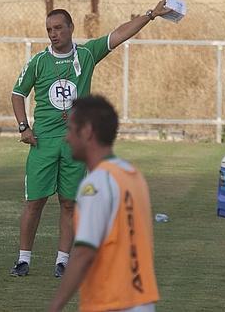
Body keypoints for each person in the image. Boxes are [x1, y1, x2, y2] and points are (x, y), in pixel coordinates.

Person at [10, 0, 171, 278]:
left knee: (70, 203)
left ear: (71, 28)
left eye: (58, 28)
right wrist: (24, 127)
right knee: (34, 202)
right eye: (49, 29)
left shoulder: (85, 55)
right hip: (43, 142)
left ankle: (62, 261)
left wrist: (151, 14)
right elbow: (17, 93)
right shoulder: (38, 62)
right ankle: (23, 259)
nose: (53, 34)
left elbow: (119, 34)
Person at [48, 95, 159, 312]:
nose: (67, 138)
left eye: (71, 129)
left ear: (87, 131)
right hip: (141, 301)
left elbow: (83, 253)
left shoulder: (96, 184)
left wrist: (55, 306)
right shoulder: (132, 175)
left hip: (111, 302)